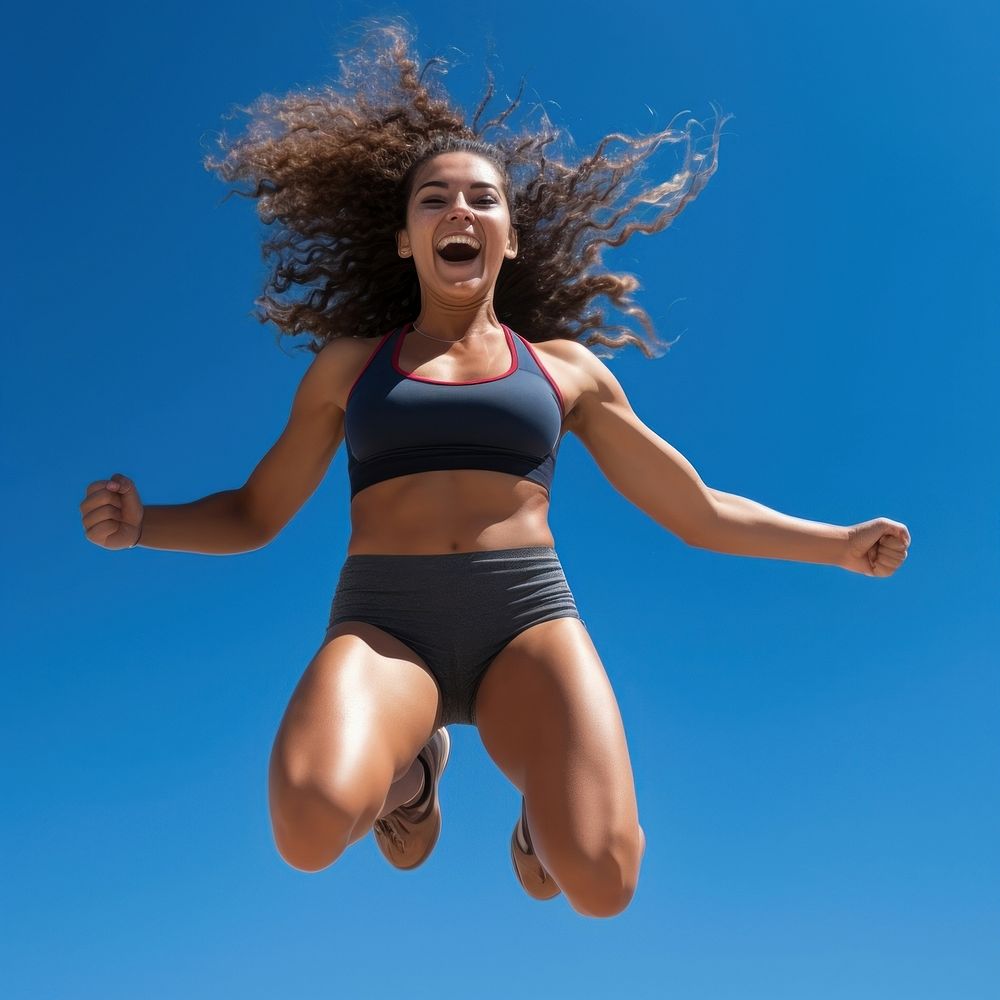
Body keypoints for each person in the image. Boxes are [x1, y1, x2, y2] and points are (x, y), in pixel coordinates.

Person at [78, 26, 911, 919]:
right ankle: (415, 776)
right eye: (435, 200)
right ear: (405, 239)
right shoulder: (349, 368)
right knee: (309, 825)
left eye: (484, 198)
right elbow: (254, 512)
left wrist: (838, 544)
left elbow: (698, 508)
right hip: (385, 624)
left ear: (509, 238)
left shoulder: (566, 372)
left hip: (526, 623)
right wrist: (144, 524)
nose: (460, 212)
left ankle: (538, 818)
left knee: (599, 882)